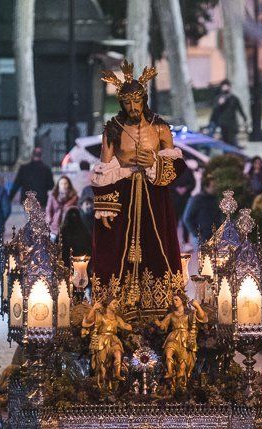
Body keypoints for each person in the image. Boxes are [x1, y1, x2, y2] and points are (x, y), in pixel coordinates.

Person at [91, 61, 187, 288]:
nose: (132, 107)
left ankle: (161, 298)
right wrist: (105, 205)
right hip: (123, 197)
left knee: (157, 246)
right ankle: (118, 302)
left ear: (144, 100)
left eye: (136, 101)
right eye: (127, 102)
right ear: (121, 104)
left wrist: (155, 162)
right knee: (118, 251)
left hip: (155, 198)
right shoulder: (113, 129)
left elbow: (175, 168)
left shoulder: (160, 128)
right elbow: (104, 168)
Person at [182, 177, 222, 244]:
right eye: (213, 186)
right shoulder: (196, 199)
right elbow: (187, 219)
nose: (216, 188)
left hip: (215, 238)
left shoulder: (216, 199)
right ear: (206, 187)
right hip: (201, 239)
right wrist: (198, 235)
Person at [209, 80, 248, 147]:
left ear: (229, 87)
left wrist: (244, 118)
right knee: (224, 141)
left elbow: (239, 109)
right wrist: (219, 104)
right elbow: (215, 109)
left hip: (232, 123)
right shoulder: (218, 98)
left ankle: (235, 152)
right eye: (223, 86)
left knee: (233, 140)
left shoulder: (234, 98)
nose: (225, 88)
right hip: (222, 123)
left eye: (226, 86)